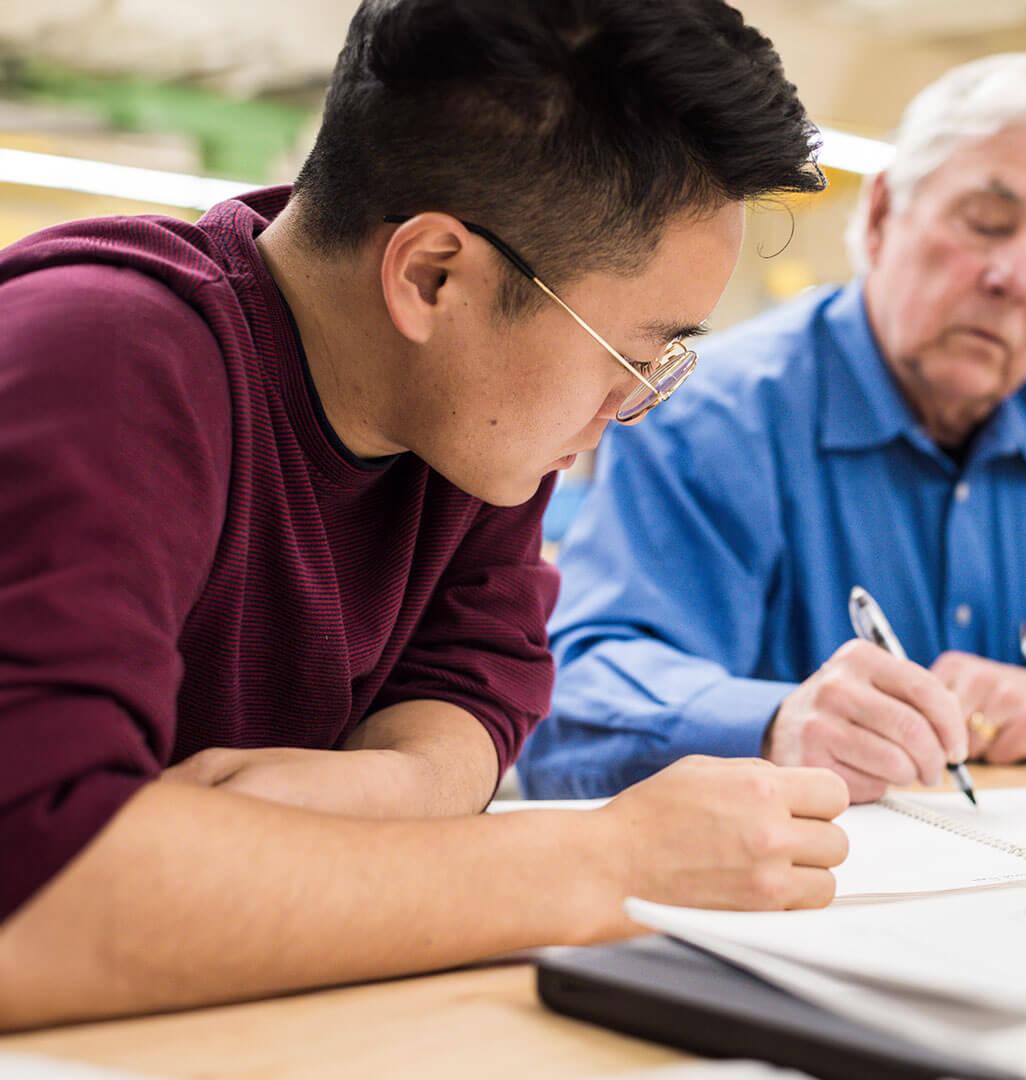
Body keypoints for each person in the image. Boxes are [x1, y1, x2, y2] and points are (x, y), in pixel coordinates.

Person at [0, 0, 851, 1032]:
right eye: (630, 354)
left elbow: (475, 683)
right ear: (432, 276)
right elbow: (42, 898)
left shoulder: (464, 412)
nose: (628, 405)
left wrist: (394, 790)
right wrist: (606, 862)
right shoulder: (101, 357)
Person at [520, 53, 1026, 805]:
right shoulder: (712, 417)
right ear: (880, 217)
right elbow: (579, 695)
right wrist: (779, 724)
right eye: (986, 223)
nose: (1013, 277)